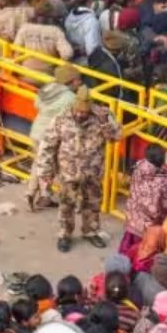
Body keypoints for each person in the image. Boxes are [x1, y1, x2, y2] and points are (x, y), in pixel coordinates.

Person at [53, 86, 123, 251]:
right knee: (66, 204)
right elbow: (49, 143)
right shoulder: (63, 117)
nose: (79, 115)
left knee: (92, 203)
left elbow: (117, 136)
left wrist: (105, 123)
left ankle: (90, 231)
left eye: (83, 112)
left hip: (92, 171)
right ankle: (65, 234)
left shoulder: (102, 115)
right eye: (77, 111)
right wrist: (45, 171)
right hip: (68, 171)